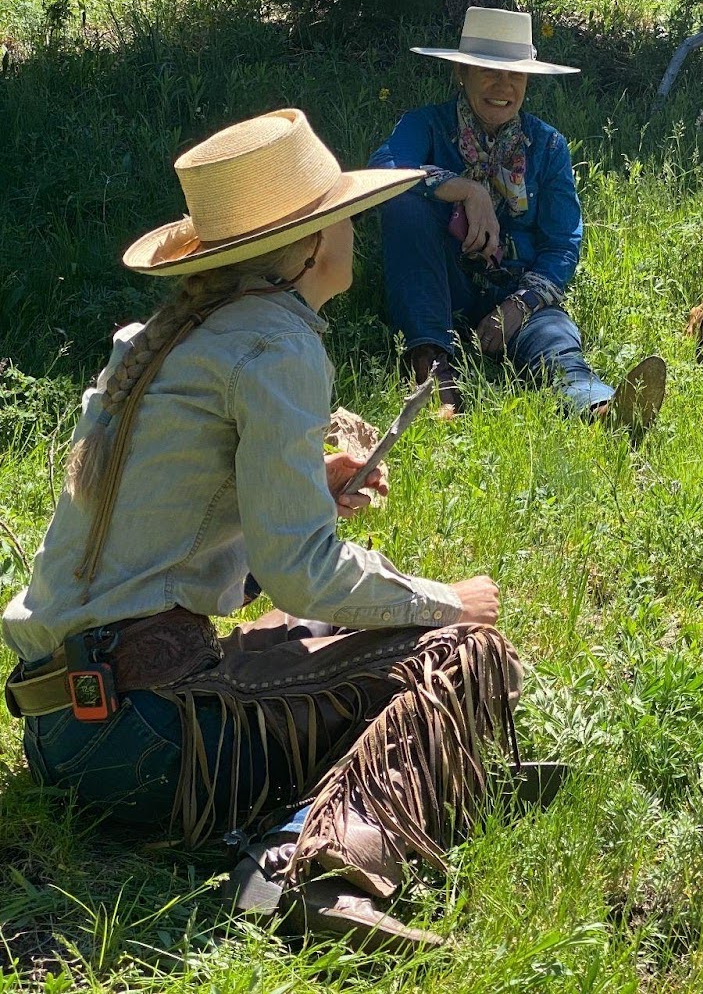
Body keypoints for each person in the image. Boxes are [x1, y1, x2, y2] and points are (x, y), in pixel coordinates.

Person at [3, 110, 524, 952]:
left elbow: (161, 530)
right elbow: (305, 574)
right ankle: (313, 861)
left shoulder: (163, 339)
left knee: (318, 635)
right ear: (315, 246)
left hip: (64, 733)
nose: (354, 231)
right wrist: (445, 599)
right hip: (152, 745)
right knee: (463, 653)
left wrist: (298, 487)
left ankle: (417, 777)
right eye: (344, 218)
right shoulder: (276, 344)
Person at [373, 5, 665, 427]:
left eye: (515, 74)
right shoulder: (427, 126)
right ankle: (434, 373)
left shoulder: (547, 147)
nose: (503, 85)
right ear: (462, 74)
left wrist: (518, 306)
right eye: (488, 71)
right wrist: (468, 190)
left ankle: (601, 408)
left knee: (556, 344)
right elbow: (384, 171)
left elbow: (562, 244)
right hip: (441, 286)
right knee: (403, 204)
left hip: (514, 289)